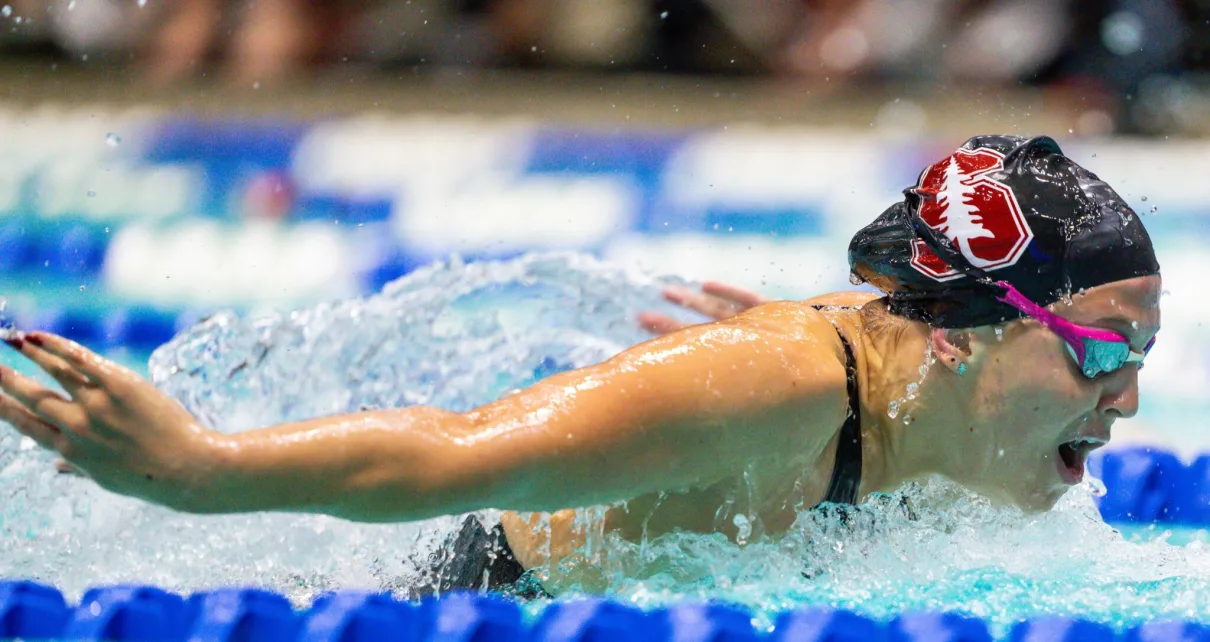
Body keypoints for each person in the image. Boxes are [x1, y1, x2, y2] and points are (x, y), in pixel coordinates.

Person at [0, 135, 1160, 597]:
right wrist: (196, 468)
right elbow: (455, 452)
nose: (1130, 400)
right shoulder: (782, 386)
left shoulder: (925, 392)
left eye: (1140, 356)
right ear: (962, 334)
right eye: (1101, 352)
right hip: (472, 607)